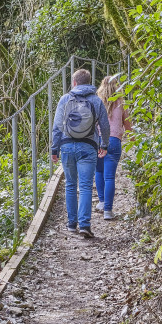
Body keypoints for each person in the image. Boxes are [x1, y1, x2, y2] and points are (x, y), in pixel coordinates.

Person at [52, 68, 110, 238]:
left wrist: (54, 149)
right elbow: (105, 126)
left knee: (70, 185)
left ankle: (71, 224)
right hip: (88, 146)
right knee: (85, 186)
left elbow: (57, 127)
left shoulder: (65, 99)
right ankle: (84, 225)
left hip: (67, 146)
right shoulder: (96, 100)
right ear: (89, 82)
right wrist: (104, 145)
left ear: (74, 82)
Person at [95, 75, 132, 220]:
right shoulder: (121, 103)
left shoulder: (97, 102)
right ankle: (108, 211)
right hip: (114, 141)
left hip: (98, 140)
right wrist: (133, 140)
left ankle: (102, 202)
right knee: (109, 176)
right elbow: (128, 125)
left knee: (99, 171)